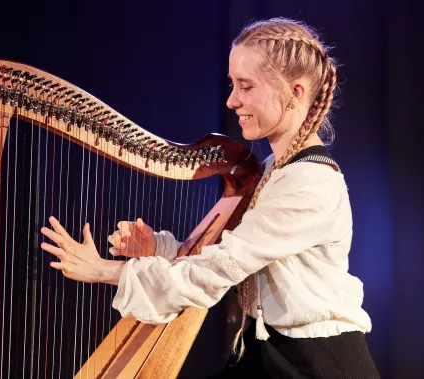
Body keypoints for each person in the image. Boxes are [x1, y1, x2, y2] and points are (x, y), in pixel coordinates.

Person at [40, 17, 380, 378]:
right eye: (233, 85)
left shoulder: (309, 183)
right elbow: (222, 254)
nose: (232, 101)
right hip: (266, 353)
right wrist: (159, 248)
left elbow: (220, 268)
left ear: (295, 93)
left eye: (246, 86)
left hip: (316, 365)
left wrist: (106, 270)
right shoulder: (271, 169)